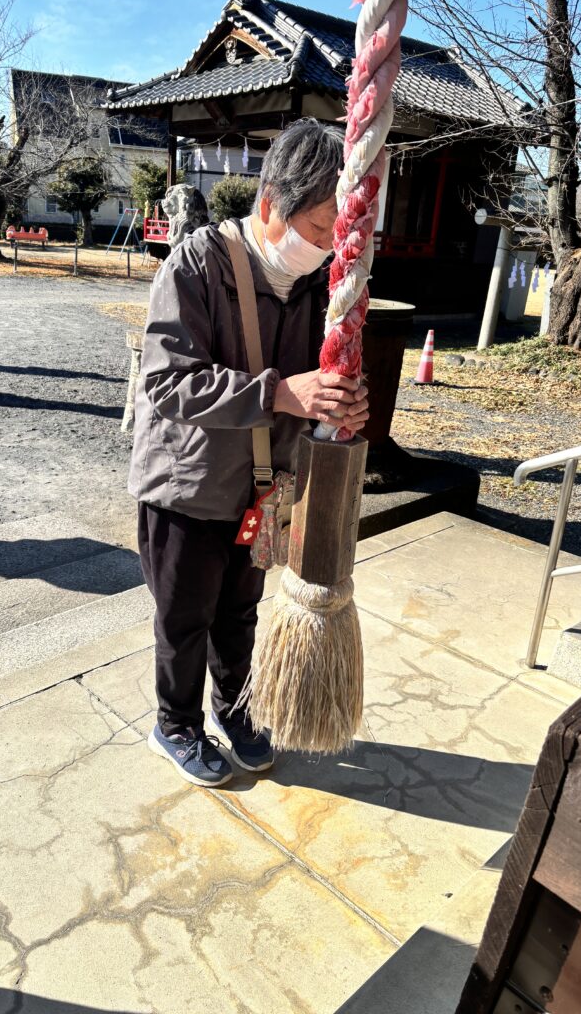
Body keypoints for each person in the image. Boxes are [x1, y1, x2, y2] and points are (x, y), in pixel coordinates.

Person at [129, 118, 369, 788]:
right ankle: (173, 724)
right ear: (270, 206)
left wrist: (342, 405)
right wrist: (283, 394)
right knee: (185, 617)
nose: (325, 247)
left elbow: (318, 385)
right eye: (319, 228)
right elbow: (167, 382)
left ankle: (236, 712)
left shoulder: (321, 287)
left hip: (263, 486)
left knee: (239, 611)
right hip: (189, 484)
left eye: (335, 234)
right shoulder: (199, 262)